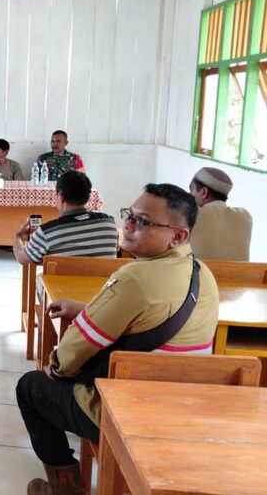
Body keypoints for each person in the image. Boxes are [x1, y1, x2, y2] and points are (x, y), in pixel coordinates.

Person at [16, 183, 219, 495]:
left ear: (178, 236)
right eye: (130, 216)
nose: (128, 225)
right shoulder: (201, 272)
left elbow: (71, 354)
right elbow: (151, 320)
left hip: (130, 410)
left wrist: (53, 371)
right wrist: (85, 308)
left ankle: (64, 488)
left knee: (31, 387)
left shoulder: (133, 278)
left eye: (143, 222)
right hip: (184, 406)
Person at [13, 171, 118, 266]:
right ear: (88, 196)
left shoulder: (47, 232)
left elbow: (22, 259)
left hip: (61, 287)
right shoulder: (110, 223)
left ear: (61, 196)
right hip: (105, 286)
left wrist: (17, 237)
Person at [189, 167, 252, 261]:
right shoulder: (245, 216)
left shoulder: (189, 213)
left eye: (191, 190)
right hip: (239, 275)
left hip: (200, 275)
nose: (189, 195)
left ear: (203, 192)